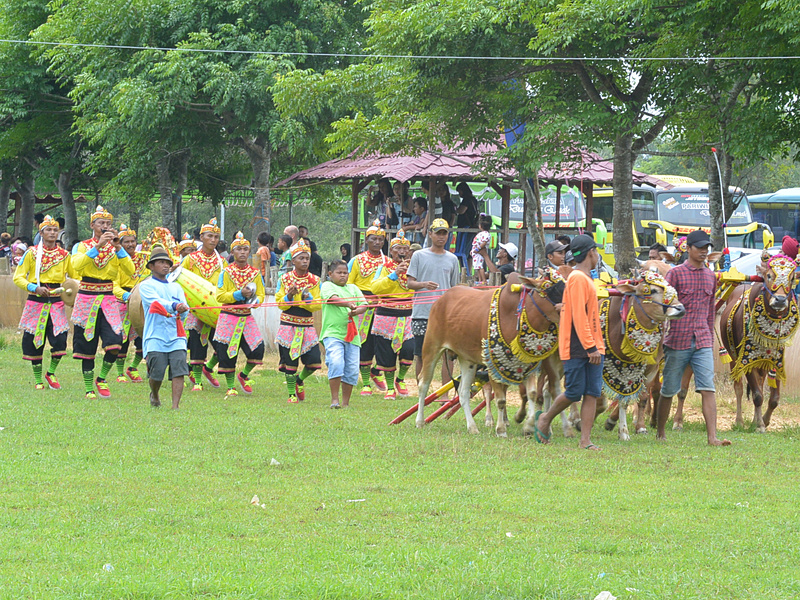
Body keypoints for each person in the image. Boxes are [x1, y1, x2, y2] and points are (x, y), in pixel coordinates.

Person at [655, 229, 731, 446]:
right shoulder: (675, 274)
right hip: (677, 340)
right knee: (669, 389)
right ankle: (660, 432)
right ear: (687, 249)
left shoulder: (710, 276)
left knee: (708, 388)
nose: (704, 251)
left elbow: (710, 311)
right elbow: (664, 307)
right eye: (699, 247)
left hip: (703, 341)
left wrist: (709, 335)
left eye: (707, 247)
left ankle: (712, 438)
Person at [534, 234, 604, 450]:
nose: (597, 254)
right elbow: (577, 316)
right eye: (596, 251)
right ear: (591, 252)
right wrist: (590, 346)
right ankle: (545, 419)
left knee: (592, 392)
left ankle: (585, 440)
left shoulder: (585, 278)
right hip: (578, 345)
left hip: (592, 344)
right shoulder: (577, 279)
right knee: (574, 391)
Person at [71, 206, 134, 399]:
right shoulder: (81, 246)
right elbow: (76, 265)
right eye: (101, 223)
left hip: (108, 298)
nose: (105, 227)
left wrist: (118, 247)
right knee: (87, 345)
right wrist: (97, 246)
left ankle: (102, 378)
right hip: (86, 297)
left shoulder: (116, 249)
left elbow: (130, 270)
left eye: (108, 224)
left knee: (116, 342)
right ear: (92, 225)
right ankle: (89, 388)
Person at [12, 215, 74, 391]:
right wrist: (33, 287)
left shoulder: (64, 255)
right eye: (49, 230)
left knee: (60, 340)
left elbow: (74, 275)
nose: (53, 233)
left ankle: (51, 372)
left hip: (56, 301)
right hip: (36, 300)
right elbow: (18, 277)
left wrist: (73, 292)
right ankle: (38, 378)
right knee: (33, 340)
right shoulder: (31, 253)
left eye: (55, 230)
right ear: (41, 232)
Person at [214, 232, 266, 398]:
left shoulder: (255, 273)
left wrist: (254, 300)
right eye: (239, 249)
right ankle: (230, 386)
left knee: (258, 348)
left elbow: (262, 294)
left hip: (246, 315)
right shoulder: (226, 273)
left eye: (246, 249)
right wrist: (238, 294)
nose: (243, 252)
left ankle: (243, 375)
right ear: (233, 252)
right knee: (228, 351)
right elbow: (220, 296)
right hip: (228, 316)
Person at [407, 218, 460, 380]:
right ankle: (421, 390)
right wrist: (423, 284)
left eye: (444, 233)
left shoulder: (452, 259)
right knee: (422, 354)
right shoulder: (418, 255)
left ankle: (444, 393)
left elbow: (454, 289)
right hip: (422, 313)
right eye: (438, 233)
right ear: (430, 234)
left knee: (447, 355)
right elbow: (410, 283)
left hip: (445, 316)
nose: (441, 237)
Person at [139, 248, 190, 409]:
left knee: (179, 370)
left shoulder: (177, 288)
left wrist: (182, 310)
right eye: (161, 262)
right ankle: (154, 393)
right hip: (155, 335)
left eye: (167, 263)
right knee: (157, 372)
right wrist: (175, 306)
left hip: (177, 335)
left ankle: (175, 406)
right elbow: (155, 303)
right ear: (151, 266)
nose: (165, 266)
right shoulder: (146, 286)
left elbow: (183, 313)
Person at [180, 218, 225, 391]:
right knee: (197, 344)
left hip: (215, 307)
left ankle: (208, 368)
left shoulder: (222, 262)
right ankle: (197, 380)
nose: (213, 240)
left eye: (216, 237)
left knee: (222, 344)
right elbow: (179, 281)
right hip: (195, 307)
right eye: (209, 236)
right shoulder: (190, 260)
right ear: (201, 237)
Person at [348, 219, 392, 395]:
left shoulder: (388, 262)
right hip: (362, 305)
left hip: (382, 306)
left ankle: (376, 371)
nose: (377, 242)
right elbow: (349, 285)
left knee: (381, 341)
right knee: (364, 343)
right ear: (367, 240)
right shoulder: (356, 261)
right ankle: (365, 382)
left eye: (380, 240)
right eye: (373, 239)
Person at [276, 240, 322, 403]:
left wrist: (307, 299)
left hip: (307, 325)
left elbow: (318, 305)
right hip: (288, 324)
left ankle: (299, 380)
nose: (304, 261)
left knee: (314, 361)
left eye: (307, 258)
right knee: (290, 362)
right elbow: (280, 303)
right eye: (301, 258)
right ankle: (291, 395)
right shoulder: (284, 279)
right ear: (293, 260)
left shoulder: (315, 281)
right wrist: (289, 296)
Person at [371, 231, 415, 400]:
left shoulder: (414, 268)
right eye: (398, 249)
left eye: (405, 249)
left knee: (409, 349)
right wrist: (394, 274)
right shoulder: (384, 268)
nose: (401, 252)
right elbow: (375, 288)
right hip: (386, 315)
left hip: (408, 315)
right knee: (386, 353)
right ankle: (390, 387)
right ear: (391, 251)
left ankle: (401, 379)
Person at [320, 260, 369, 408]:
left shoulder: (353, 288)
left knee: (352, 369)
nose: (343, 275)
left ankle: (345, 403)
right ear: (330, 274)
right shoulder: (327, 286)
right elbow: (332, 299)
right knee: (336, 362)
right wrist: (348, 304)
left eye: (345, 273)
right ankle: (334, 400)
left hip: (353, 336)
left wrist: (357, 310)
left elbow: (364, 305)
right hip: (333, 332)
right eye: (339, 273)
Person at [112, 224, 149, 383]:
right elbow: (113, 285)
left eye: (132, 241)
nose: (130, 245)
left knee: (143, 338)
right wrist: (127, 296)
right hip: (123, 300)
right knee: (123, 339)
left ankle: (133, 367)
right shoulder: (115, 259)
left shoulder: (144, 258)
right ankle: (120, 372)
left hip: (141, 300)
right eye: (126, 242)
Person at [470, 215, 493, 284]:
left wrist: (477, 249)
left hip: (479, 252)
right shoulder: (481, 234)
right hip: (476, 252)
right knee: (477, 266)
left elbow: (484, 242)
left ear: (480, 226)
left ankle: (483, 280)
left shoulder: (486, 234)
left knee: (480, 266)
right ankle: (480, 279)